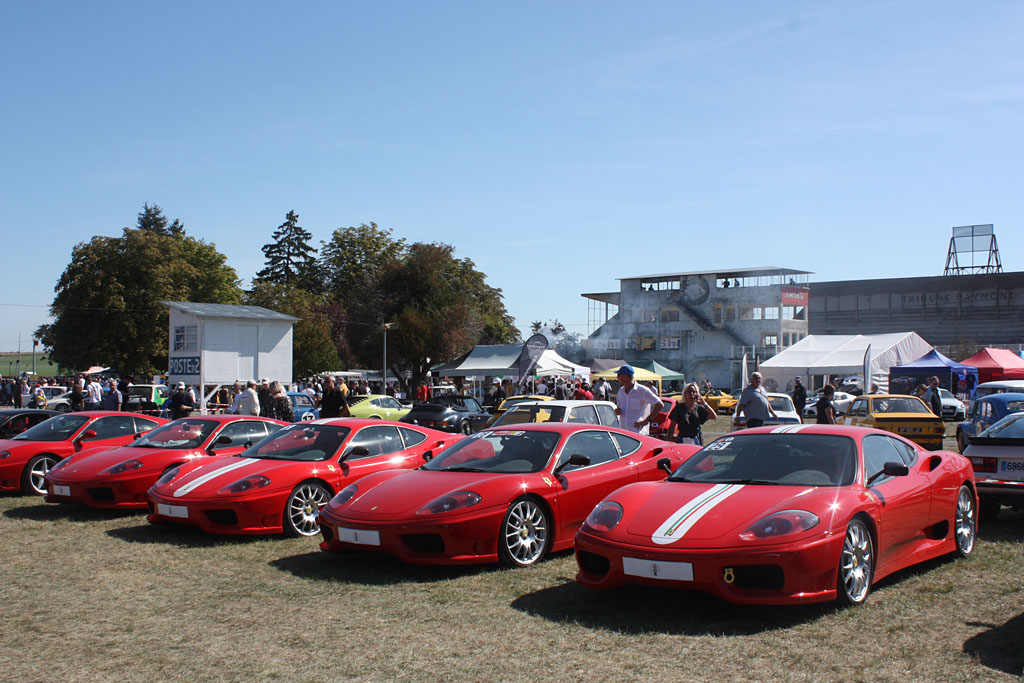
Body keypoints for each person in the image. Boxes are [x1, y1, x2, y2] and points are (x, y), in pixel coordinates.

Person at [613, 365, 664, 435]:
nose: (617, 378)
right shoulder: (621, 391)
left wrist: (646, 421)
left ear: (625, 377)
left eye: (619, 376)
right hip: (623, 432)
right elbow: (620, 408)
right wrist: (617, 411)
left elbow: (660, 405)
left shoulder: (642, 390)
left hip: (638, 432)